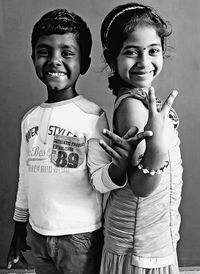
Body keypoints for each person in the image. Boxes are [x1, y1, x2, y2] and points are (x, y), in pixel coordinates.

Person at [6, 8, 152, 274]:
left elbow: (99, 180)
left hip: (79, 237)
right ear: (33, 58)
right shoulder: (30, 119)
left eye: (67, 53)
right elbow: (25, 178)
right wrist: (19, 227)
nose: (55, 60)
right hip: (38, 234)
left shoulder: (92, 117)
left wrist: (117, 169)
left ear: (83, 63)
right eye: (44, 52)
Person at [99, 2, 183, 273]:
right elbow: (141, 186)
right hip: (138, 244)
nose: (144, 62)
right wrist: (157, 147)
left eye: (153, 51)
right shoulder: (133, 106)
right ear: (113, 59)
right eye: (132, 52)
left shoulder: (143, 101)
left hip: (151, 234)